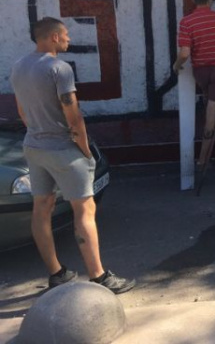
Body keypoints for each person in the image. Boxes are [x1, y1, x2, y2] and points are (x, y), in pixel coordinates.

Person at [10, 17, 136, 294]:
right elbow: (73, 116)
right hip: (63, 149)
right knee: (85, 210)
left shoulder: (18, 67)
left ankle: (57, 273)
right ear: (53, 37)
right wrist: (85, 150)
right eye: (65, 35)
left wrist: (38, 130)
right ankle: (99, 277)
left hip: (34, 146)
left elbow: (21, 111)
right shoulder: (59, 68)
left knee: (41, 208)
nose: (68, 39)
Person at [173, 0, 215, 167]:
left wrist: (176, 66)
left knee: (210, 106)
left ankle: (203, 157)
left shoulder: (187, 22)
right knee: (212, 113)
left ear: (193, 0)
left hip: (200, 71)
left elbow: (184, 54)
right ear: (210, 0)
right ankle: (203, 159)